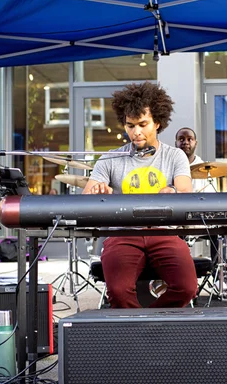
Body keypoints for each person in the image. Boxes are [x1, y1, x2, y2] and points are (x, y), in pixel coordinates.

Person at [82, 82, 196, 308]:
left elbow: (185, 190)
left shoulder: (175, 156)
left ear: (158, 123)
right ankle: (138, 334)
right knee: (118, 291)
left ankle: (150, 328)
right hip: (123, 234)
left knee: (187, 288)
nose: (136, 132)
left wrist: (172, 190)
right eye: (130, 125)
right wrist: (98, 192)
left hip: (164, 233)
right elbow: (87, 195)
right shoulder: (110, 158)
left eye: (143, 124)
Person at [174, 127, 217, 193]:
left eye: (190, 139)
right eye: (181, 139)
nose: (186, 142)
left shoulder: (206, 169)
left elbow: (210, 199)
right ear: (175, 143)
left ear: (196, 143)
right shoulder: (169, 166)